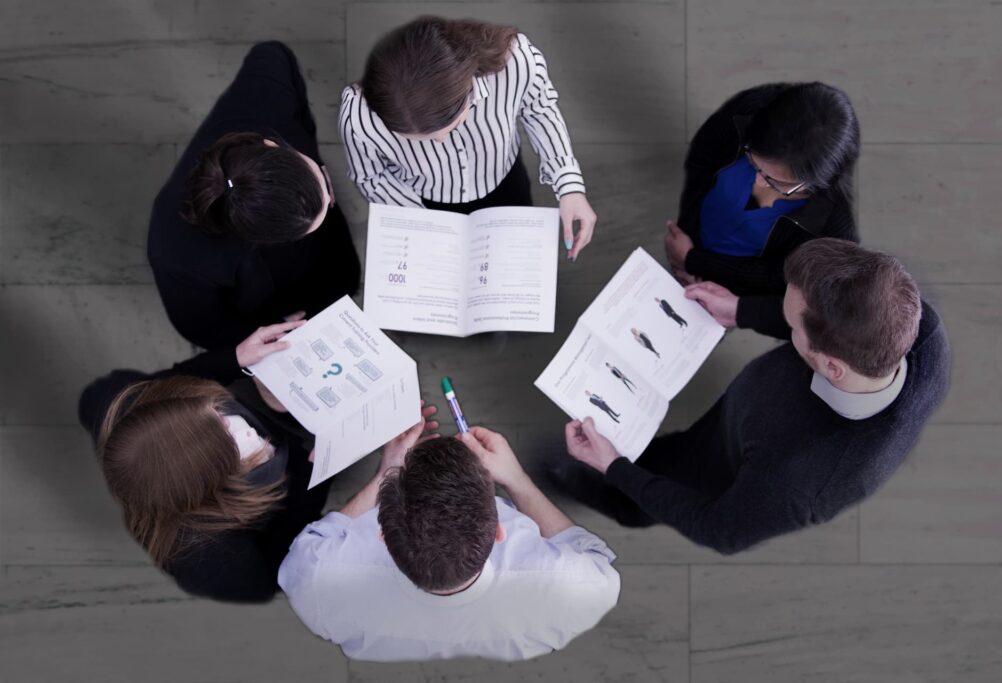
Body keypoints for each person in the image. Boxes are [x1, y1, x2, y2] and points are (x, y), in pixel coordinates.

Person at [553, 239, 950, 555]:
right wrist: (740, 311)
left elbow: (719, 530)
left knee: (637, 494)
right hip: (736, 419)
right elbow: (818, 321)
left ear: (832, 367)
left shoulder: (799, 484)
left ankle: (578, 479)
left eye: (792, 323)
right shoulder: (913, 322)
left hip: (715, 472)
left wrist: (615, 467)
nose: (784, 318)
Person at [279, 421, 620, 661]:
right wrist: (518, 480)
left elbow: (317, 540)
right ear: (499, 531)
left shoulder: (317, 578)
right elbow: (590, 553)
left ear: (383, 535)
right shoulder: (575, 587)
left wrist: (387, 471)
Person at [78, 320, 334, 602]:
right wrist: (314, 479)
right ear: (215, 489)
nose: (246, 430)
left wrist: (235, 358)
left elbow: (175, 382)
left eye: (219, 418)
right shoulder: (209, 560)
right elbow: (266, 578)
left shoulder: (118, 403)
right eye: (234, 450)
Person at [149, 41, 361, 355]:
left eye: (322, 180)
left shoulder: (270, 93)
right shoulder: (180, 256)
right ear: (268, 239)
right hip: (269, 302)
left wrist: (302, 119)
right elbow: (202, 327)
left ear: (273, 145)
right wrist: (264, 334)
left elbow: (273, 53)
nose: (333, 199)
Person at [339, 16, 597, 261]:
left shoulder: (517, 61)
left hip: (505, 184)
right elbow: (372, 176)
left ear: (467, 88)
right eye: (418, 138)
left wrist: (569, 185)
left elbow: (539, 109)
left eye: (450, 127)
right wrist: (423, 224)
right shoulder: (359, 113)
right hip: (424, 202)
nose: (439, 143)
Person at [665, 82, 860, 339]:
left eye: (776, 182)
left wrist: (697, 263)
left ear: (818, 182)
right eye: (753, 162)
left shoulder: (833, 229)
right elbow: (701, 163)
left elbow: (780, 280)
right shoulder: (747, 113)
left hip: (737, 284)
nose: (758, 181)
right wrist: (686, 235)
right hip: (694, 240)